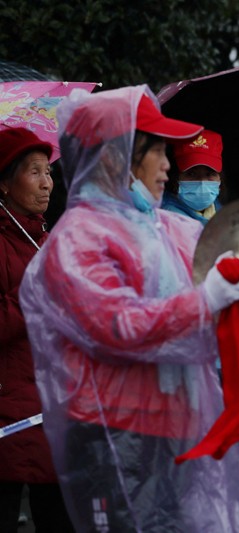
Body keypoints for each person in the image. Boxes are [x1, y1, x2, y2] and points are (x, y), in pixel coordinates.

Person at [18, 86, 239, 531]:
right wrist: (205, 301)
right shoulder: (79, 238)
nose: (168, 164)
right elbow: (116, 325)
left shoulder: (166, 227)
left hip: (177, 426)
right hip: (116, 436)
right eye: (157, 151)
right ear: (116, 158)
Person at [0, 127, 74, 532]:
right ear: (4, 184)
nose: (47, 183)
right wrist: (34, 289)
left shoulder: (44, 239)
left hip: (52, 410)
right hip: (9, 416)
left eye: (48, 172)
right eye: (34, 172)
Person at [162, 128, 224, 224]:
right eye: (191, 174)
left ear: (220, 179)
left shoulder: (218, 209)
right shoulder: (168, 219)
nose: (202, 182)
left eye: (209, 174)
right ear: (176, 179)